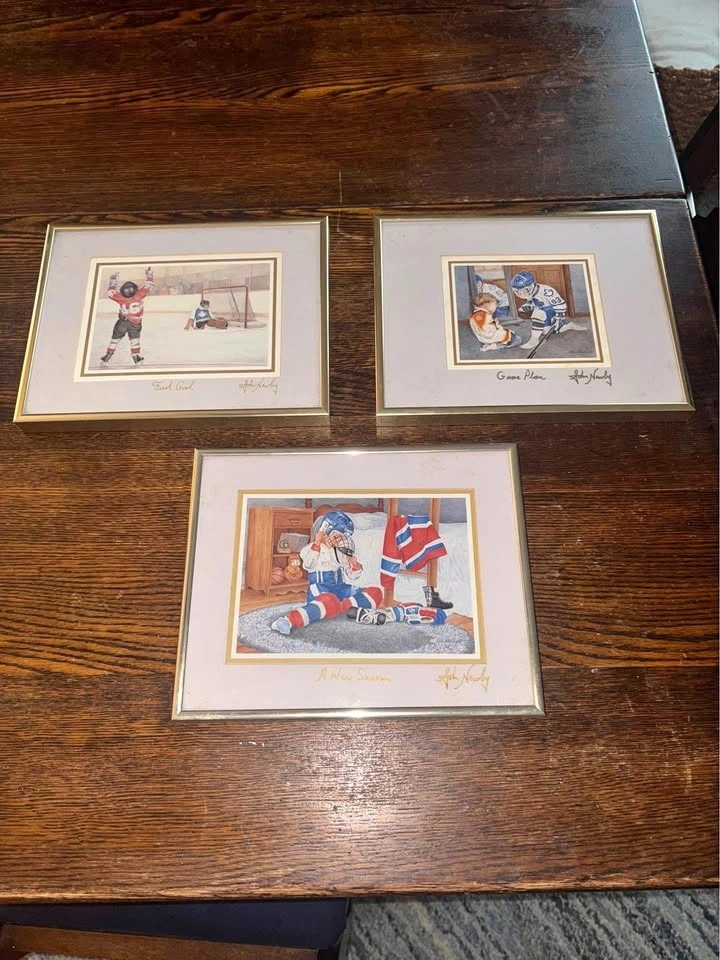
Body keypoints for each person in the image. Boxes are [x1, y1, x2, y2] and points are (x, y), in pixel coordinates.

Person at [270, 510, 384, 634]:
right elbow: (308, 564)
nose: (339, 541)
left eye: (342, 538)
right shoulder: (310, 549)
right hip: (321, 589)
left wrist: (355, 567)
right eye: (337, 536)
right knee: (329, 601)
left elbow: (350, 575)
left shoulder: (339, 552)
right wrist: (317, 542)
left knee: (376, 592)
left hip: (340, 588)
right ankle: (288, 621)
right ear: (325, 530)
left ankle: (342, 607)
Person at [510, 271, 583, 352]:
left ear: (532, 285)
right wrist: (528, 306)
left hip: (553, 311)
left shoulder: (547, 291)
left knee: (538, 313)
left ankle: (534, 340)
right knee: (547, 331)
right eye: (518, 291)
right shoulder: (531, 292)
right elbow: (535, 302)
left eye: (524, 290)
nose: (521, 293)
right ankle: (568, 326)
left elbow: (560, 304)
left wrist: (559, 319)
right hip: (545, 312)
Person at [100, 266, 154, 365]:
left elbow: (110, 292)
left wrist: (113, 278)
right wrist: (149, 274)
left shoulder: (120, 297)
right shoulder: (139, 294)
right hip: (136, 323)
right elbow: (148, 285)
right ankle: (136, 356)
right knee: (135, 339)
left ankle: (108, 355)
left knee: (115, 339)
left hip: (122, 322)